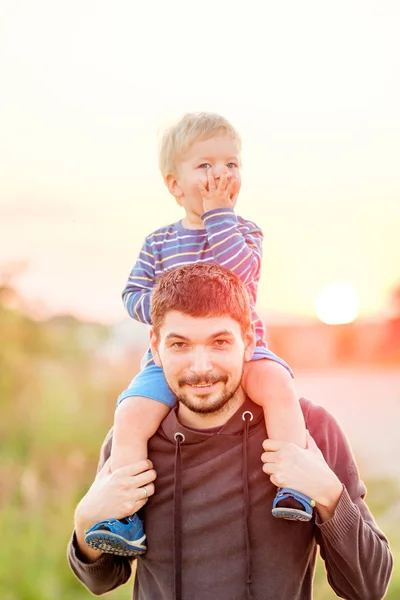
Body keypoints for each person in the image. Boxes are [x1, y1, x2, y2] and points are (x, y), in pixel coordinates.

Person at [68, 263, 393, 600]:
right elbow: (102, 580)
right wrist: (84, 520)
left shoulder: (308, 429)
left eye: (219, 342)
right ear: (155, 346)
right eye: (180, 345)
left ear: (249, 341)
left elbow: (368, 587)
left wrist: (328, 493)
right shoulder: (134, 441)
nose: (200, 367)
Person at [85, 112, 310, 557]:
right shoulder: (158, 243)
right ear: (174, 184)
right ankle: (125, 515)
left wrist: (220, 216)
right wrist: (163, 307)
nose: (220, 174)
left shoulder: (244, 232)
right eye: (205, 166)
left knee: (279, 386)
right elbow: (132, 293)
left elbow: (239, 277)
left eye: (231, 164)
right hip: (167, 359)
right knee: (130, 416)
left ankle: (294, 484)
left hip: (244, 351)